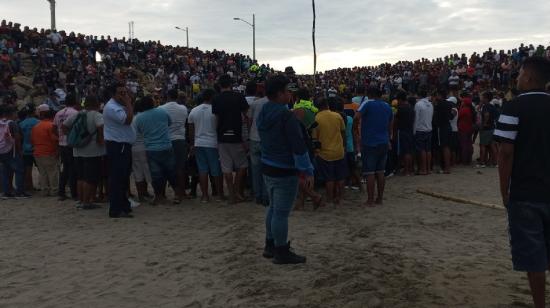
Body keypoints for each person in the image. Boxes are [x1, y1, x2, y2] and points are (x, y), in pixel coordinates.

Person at [495, 56, 550, 308]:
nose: (516, 78)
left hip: (526, 192)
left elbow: (505, 152)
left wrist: (504, 190)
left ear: (528, 77)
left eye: (518, 74)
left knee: (533, 258)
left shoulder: (513, 107)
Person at [257, 74, 314, 264]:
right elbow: (297, 145)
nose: (290, 94)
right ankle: (281, 251)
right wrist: (306, 170)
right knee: (281, 212)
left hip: (268, 165)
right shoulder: (285, 116)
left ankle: (270, 245)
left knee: (273, 208)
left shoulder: (264, 110)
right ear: (280, 94)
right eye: (288, 91)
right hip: (284, 167)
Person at [134, 95, 180, 205]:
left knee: (156, 175)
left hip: (151, 149)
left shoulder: (139, 118)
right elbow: (169, 123)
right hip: (166, 146)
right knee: (171, 172)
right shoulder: (162, 112)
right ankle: (178, 195)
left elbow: (139, 131)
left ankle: (159, 197)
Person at [212, 74, 249, 204]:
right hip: (236, 135)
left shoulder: (216, 99)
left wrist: (217, 134)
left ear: (220, 85)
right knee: (243, 165)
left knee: (226, 168)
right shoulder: (238, 97)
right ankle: (237, 190)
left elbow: (216, 119)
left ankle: (232, 195)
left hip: (222, 136)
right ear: (231, 84)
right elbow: (247, 115)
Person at [63, 95, 105, 210]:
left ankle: (81, 200)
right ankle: (87, 202)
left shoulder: (77, 114)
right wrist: (101, 140)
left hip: (77, 150)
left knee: (80, 177)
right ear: (96, 104)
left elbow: (64, 126)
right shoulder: (96, 115)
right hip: (92, 151)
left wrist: (73, 137)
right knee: (90, 178)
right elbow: (100, 127)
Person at [354, 87, 393, 206]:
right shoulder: (387, 106)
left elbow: (356, 117)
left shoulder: (367, 103)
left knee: (369, 172)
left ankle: (370, 200)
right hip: (383, 141)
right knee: (381, 171)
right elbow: (391, 123)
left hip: (370, 142)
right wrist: (388, 137)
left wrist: (356, 129)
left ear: (368, 94)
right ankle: (379, 199)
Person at [103, 82, 135, 218]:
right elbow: (127, 120)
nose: (124, 95)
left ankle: (123, 205)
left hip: (122, 144)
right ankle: (116, 209)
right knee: (118, 177)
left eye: (125, 92)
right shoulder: (112, 108)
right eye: (121, 93)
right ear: (113, 94)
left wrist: (127, 100)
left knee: (123, 177)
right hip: (118, 145)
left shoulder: (117, 106)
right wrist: (128, 103)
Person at [188, 89, 224, 203]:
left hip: (199, 143)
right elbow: (218, 127)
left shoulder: (194, 111)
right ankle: (219, 195)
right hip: (212, 143)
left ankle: (204, 196)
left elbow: (191, 130)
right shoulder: (216, 110)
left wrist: (192, 144)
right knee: (216, 170)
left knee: (202, 170)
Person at [312, 97, 347, 206]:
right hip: (339, 150)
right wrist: (343, 146)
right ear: (327, 104)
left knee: (329, 178)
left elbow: (315, 139)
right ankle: (340, 197)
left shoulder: (316, 119)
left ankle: (330, 198)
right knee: (340, 176)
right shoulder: (337, 116)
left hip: (325, 153)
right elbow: (343, 133)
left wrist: (316, 151)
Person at [159, 88, 189, 203]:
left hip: (166, 140)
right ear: (177, 97)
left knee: (164, 168)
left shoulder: (161, 109)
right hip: (179, 139)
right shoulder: (183, 108)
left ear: (167, 96)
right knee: (180, 168)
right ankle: (181, 193)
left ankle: (162, 194)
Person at [246, 81, 269, 206]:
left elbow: (249, 121)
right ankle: (266, 196)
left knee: (255, 169)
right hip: (266, 140)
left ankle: (257, 195)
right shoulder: (271, 103)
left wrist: (250, 135)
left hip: (254, 138)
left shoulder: (255, 104)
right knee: (267, 169)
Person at [53, 93, 78, 200]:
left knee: (65, 168)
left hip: (61, 143)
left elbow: (53, 128)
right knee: (73, 168)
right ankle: (74, 193)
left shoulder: (58, 113)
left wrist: (59, 135)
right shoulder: (75, 113)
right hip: (71, 144)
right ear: (75, 102)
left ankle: (61, 192)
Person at [0, 104, 29, 199]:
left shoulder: (1, 122)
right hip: (12, 150)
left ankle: (6, 192)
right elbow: (17, 137)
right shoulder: (12, 123)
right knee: (19, 170)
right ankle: (19, 192)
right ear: (12, 113)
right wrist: (19, 150)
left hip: (2, 150)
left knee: (5, 171)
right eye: (15, 112)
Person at [31, 104, 59, 197]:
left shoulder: (36, 126)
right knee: (52, 172)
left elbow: (32, 140)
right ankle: (54, 190)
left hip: (37, 152)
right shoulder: (50, 126)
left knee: (43, 173)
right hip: (48, 152)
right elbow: (54, 139)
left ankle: (44, 190)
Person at [18, 104, 39, 191]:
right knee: (42, 169)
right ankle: (46, 185)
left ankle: (29, 187)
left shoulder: (21, 123)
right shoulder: (38, 122)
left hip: (26, 149)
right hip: (37, 148)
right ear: (34, 111)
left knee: (28, 169)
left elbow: (20, 138)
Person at [432, 89, 454, 174]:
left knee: (444, 147)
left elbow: (435, 116)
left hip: (442, 127)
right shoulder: (449, 104)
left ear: (440, 95)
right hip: (448, 126)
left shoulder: (439, 104)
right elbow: (451, 116)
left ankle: (446, 168)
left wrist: (434, 103)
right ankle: (447, 167)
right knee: (447, 147)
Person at [413, 88, 434, 175]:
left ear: (419, 95)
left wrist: (414, 131)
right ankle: (428, 169)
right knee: (428, 150)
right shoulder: (430, 104)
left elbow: (416, 119)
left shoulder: (418, 104)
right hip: (429, 128)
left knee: (422, 150)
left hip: (420, 129)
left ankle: (423, 169)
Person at [394, 91, 415, 176]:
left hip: (403, 131)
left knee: (405, 152)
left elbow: (395, 122)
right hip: (410, 130)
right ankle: (410, 169)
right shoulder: (411, 107)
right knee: (409, 151)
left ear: (400, 99)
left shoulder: (401, 108)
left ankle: (406, 171)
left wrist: (394, 133)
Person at [478, 91, 498, 168]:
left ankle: (482, 162)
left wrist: (484, 124)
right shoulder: (492, 106)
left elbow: (486, 115)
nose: (481, 98)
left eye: (482, 97)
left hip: (486, 129)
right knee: (492, 146)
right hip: (492, 128)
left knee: (483, 145)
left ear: (485, 98)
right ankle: (495, 162)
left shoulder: (486, 106)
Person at [457, 93, 475, 165]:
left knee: (463, 145)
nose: (462, 102)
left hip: (463, 128)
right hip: (470, 128)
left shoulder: (464, 109)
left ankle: (464, 160)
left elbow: (458, 117)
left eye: (463, 102)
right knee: (469, 144)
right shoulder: (471, 109)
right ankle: (469, 159)